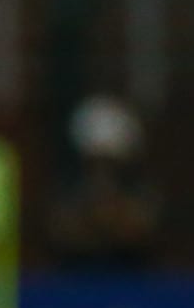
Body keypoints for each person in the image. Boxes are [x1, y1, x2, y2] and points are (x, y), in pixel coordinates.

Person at [47, 94, 160, 273]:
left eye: (110, 162)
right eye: (95, 162)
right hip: (74, 279)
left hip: (131, 279)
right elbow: (61, 231)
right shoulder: (68, 187)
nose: (102, 170)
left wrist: (114, 217)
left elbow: (142, 231)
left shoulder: (138, 188)